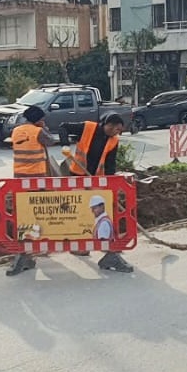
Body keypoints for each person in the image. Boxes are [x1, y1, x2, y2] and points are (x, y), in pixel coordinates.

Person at [63, 113, 132, 274]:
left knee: (101, 213)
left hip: (96, 180)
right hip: (79, 176)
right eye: (116, 129)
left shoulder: (114, 141)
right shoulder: (88, 127)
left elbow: (110, 163)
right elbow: (63, 127)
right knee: (81, 212)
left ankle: (104, 244)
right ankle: (80, 246)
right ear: (108, 125)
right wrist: (65, 144)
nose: (117, 132)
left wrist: (111, 182)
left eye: (120, 130)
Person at [5, 104, 51, 276]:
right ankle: (37, 244)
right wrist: (43, 127)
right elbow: (50, 140)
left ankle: (28, 246)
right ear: (38, 119)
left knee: (24, 213)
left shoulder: (16, 131)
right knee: (38, 212)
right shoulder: (37, 131)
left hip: (19, 178)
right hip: (36, 178)